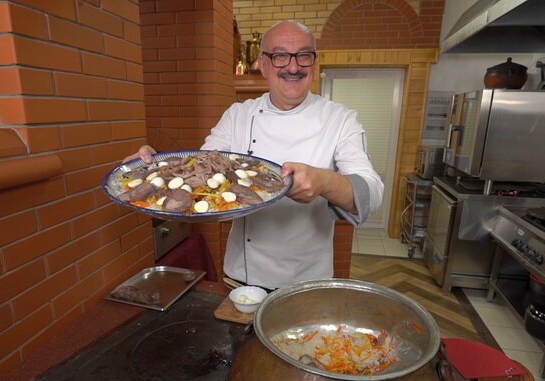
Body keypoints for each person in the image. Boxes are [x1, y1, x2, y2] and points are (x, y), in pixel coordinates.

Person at [124, 20, 384, 290]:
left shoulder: (340, 119)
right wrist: (156, 169)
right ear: (263, 64)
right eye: (280, 56)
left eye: (303, 56)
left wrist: (325, 181)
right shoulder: (238, 115)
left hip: (306, 282)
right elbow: (199, 173)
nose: (293, 67)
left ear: (314, 62)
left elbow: (372, 193)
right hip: (241, 276)